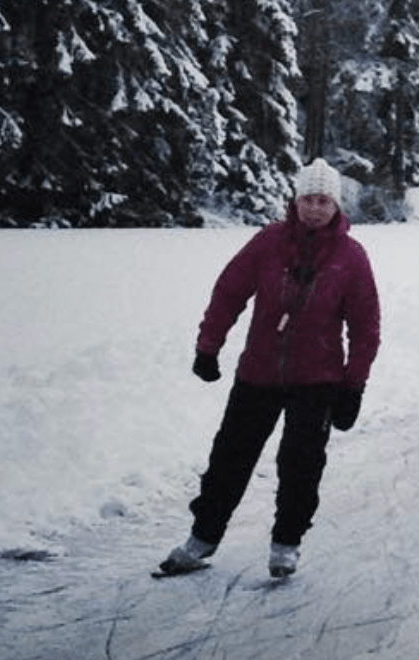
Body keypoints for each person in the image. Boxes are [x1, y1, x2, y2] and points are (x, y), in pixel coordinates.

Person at [159, 158, 381, 578]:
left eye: (324, 201)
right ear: (295, 201)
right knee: (229, 459)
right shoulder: (269, 242)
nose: (314, 208)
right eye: (308, 199)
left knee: (301, 465)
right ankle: (202, 538)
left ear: (336, 205)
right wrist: (209, 346)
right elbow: (228, 292)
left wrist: (354, 386)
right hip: (258, 374)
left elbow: (365, 326)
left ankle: (286, 544)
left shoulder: (351, 257)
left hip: (317, 380)